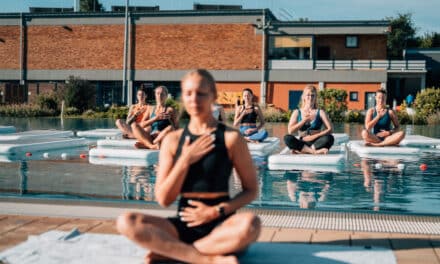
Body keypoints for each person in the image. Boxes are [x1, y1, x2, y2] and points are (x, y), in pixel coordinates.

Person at [116, 69, 261, 263]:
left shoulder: (231, 138)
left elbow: (251, 190)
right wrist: (184, 160)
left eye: (201, 93)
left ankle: (174, 252)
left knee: (251, 224)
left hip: (221, 223)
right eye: (188, 93)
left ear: (213, 96)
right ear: (183, 97)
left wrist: (215, 211)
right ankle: (206, 259)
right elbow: (164, 199)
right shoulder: (173, 141)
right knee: (127, 222)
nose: (194, 99)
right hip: (184, 221)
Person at [283, 85, 334, 154]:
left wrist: (315, 136)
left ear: (315, 97)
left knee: (330, 138)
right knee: (287, 138)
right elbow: (290, 131)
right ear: (303, 97)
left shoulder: (321, 112)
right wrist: (303, 121)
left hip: (316, 142)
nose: (310, 97)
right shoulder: (297, 112)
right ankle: (314, 152)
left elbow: (330, 129)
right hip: (302, 142)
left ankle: (303, 151)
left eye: (313, 95)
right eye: (308, 95)